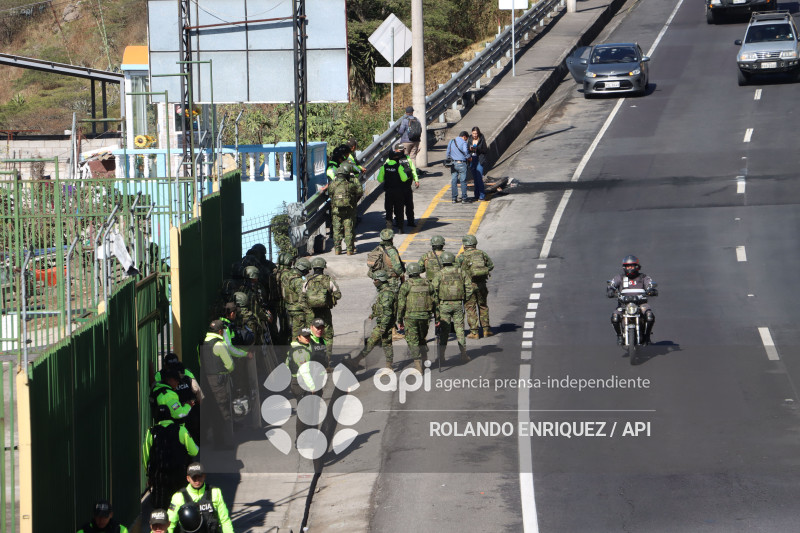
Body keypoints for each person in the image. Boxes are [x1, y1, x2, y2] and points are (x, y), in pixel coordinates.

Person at [143, 415, 199, 510]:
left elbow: (146, 456)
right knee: (181, 504)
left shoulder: (151, 432)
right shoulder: (181, 430)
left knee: (161, 507)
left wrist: (149, 474)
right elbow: (194, 451)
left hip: (159, 478)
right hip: (178, 475)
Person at [346, 270, 397, 371]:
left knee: (371, 342)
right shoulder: (384, 291)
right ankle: (389, 366)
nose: (374, 281)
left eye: (375, 280)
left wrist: (383, 327)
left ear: (381, 280)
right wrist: (373, 314)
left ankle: (356, 361)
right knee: (387, 344)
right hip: (384, 322)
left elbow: (387, 312)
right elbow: (382, 308)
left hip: (383, 323)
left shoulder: (386, 293)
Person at [167, 462, 234, 533]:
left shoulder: (215, 492)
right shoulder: (178, 496)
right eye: (194, 477)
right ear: (188, 478)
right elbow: (169, 523)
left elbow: (224, 520)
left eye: (200, 476)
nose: (197, 480)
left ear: (204, 476)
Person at [431, 251, 472, 366]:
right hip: (458, 304)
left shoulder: (440, 274)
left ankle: (442, 357)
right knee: (460, 330)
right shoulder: (461, 272)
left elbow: (433, 290)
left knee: (444, 332)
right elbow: (469, 287)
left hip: (444, 305)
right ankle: (463, 355)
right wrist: (464, 298)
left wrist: (437, 305)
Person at [200, 320, 236, 448]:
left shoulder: (203, 343)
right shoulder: (219, 345)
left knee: (208, 409)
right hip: (219, 381)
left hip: (206, 380)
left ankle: (204, 438)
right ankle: (222, 442)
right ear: (220, 331)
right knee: (222, 410)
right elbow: (230, 365)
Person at [607, 255, 657, 345]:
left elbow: (650, 284)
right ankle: (619, 335)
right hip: (623, 305)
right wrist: (610, 290)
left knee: (649, 316)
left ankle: (647, 336)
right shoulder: (620, 277)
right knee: (615, 317)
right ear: (624, 267)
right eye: (627, 266)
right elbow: (612, 284)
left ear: (637, 266)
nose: (629, 268)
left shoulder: (643, 277)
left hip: (641, 304)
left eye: (632, 266)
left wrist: (651, 290)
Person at [397, 263, 437, 372]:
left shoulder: (406, 285)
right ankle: (425, 360)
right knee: (421, 338)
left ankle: (418, 366)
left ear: (409, 272)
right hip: (425, 317)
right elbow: (435, 302)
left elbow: (401, 304)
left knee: (413, 340)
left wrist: (399, 320)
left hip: (411, 317)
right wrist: (437, 318)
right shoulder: (428, 284)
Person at [156, 353, 204, 442]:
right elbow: (197, 391)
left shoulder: (160, 375)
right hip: (184, 410)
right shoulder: (186, 371)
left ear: (165, 365)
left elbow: (155, 389)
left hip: (173, 412)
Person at [302, 257, 341, 361]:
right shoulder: (329, 280)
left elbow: (302, 296)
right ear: (323, 267)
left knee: (310, 335)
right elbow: (338, 295)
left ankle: (311, 358)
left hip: (311, 313)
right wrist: (329, 299)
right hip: (325, 312)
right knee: (328, 335)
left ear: (313, 268)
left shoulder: (307, 280)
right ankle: (327, 361)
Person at [457, 234, 495, 339]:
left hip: (468, 287)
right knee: (483, 306)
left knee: (470, 308)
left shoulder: (461, 257)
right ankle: (486, 330)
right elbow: (491, 266)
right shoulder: (482, 253)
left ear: (464, 245)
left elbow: (456, 271)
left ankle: (474, 332)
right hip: (482, 285)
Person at [330, 161, 363, 255]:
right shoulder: (351, 183)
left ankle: (337, 249)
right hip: (349, 209)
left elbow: (330, 194)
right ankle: (349, 249)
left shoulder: (333, 183)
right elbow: (359, 191)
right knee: (349, 229)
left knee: (337, 229)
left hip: (336, 210)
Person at [378, 143, 411, 233]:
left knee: (389, 210)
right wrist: (408, 176)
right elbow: (404, 179)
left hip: (388, 192)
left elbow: (380, 179)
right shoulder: (399, 166)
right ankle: (400, 228)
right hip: (399, 192)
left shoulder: (384, 167)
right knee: (399, 209)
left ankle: (389, 228)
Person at [283, 257, 312, 339]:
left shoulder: (286, 276)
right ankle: (296, 350)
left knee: (290, 331)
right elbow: (302, 298)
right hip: (298, 311)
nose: (307, 272)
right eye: (306, 270)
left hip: (288, 308)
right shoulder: (298, 281)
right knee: (297, 334)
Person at [395, 144, 420, 226]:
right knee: (398, 206)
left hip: (407, 186)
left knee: (409, 205)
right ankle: (399, 222)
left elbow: (413, 169)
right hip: (397, 186)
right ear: (396, 150)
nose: (402, 151)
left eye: (403, 149)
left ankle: (411, 221)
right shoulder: (392, 159)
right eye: (400, 150)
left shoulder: (407, 158)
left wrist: (416, 180)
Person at [446, 131, 471, 203]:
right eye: (466, 139)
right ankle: (464, 198)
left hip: (453, 163)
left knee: (454, 180)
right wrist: (469, 157)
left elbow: (448, 152)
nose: (466, 140)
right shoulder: (463, 143)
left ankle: (454, 198)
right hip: (462, 163)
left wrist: (449, 161)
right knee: (463, 181)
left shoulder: (451, 141)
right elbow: (466, 152)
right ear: (464, 137)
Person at [467, 127, 488, 201]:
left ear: (478, 133)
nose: (475, 135)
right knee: (475, 179)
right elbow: (466, 149)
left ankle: (482, 195)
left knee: (479, 178)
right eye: (473, 133)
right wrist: (470, 150)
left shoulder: (481, 139)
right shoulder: (469, 139)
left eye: (476, 133)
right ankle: (476, 195)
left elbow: (485, 150)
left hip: (479, 159)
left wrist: (478, 149)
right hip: (473, 159)